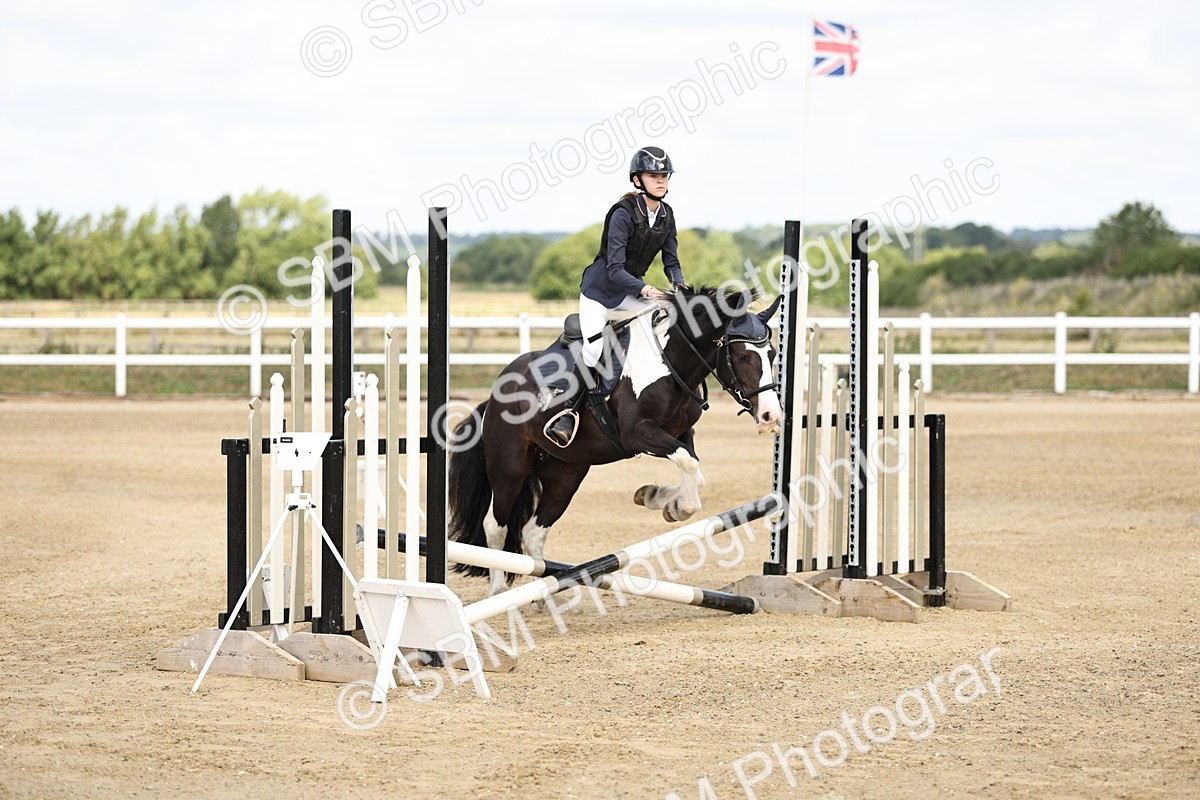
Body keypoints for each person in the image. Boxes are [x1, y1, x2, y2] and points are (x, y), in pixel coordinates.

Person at [544, 145, 686, 447]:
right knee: (594, 351)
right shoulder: (623, 215)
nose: (661, 181)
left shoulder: (666, 215)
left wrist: (680, 289)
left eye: (664, 175)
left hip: (628, 290)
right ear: (637, 180)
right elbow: (614, 269)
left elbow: (671, 261)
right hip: (600, 291)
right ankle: (567, 412)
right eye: (654, 175)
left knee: (662, 324)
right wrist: (646, 289)